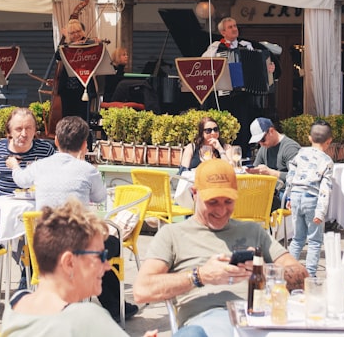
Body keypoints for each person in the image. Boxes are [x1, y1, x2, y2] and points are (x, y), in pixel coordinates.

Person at [134, 158, 308, 336]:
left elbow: (303, 278)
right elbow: (141, 290)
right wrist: (200, 276)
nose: (221, 210)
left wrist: (262, 272)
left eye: (228, 201)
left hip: (261, 317)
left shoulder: (253, 231)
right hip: (210, 320)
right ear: (194, 193)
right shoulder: (172, 234)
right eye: (213, 202)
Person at [7, 116, 134, 321]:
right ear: (84, 144)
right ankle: (115, 306)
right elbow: (100, 198)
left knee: (102, 248)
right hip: (79, 250)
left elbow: (21, 180)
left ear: (56, 141)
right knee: (111, 246)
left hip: (43, 248)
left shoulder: (41, 166)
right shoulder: (87, 170)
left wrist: (14, 165)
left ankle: (114, 306)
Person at [0, 199, 160, 337]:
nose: (107, 265)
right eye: (100, 256)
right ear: (69, 262)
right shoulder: (87, 317)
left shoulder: (16, 303)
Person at [0, 108, 55, 298]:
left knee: (28, 229)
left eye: (29, 128)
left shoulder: (46, 150)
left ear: (35, 130)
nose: (23, 134)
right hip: (1, 213)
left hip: (33, 214)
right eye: (18, 129)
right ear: (9, 131)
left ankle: (27, 274)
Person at [280, 120, 333, 276]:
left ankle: (289, 271)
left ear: (309, 138)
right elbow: (325, 188)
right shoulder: (327, 161)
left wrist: (288, 198)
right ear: (329, 141)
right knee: (315, 241)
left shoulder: (300, 153)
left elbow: (290, 176)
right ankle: (310, 275)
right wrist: (321, 212)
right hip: (312, 199)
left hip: (296, 196)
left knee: (297, 238)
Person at [202, 17, 257, 153]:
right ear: (223, 32)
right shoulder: (215, 47)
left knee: (243, 125)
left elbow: (257, 65)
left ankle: (242, 154)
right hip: (224, 94)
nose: (234, 29)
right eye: (230, 27)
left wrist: (269, 67)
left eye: (235, 26)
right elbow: (203, 64)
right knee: (223, 125)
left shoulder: (246, 46)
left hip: (243, 94)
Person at [246, 116, 300, 208]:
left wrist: (271, 173)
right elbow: (255, 168)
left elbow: (299, 177)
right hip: (268, 192)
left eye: (262, 139)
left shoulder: (289, 148)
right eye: (258, 142)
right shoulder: (264, 148)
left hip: (286, 193)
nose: (261, 144)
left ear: (271, 131)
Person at [54, 19, 99, 121]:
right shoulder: (66, 47)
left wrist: (97, 43)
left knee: (83, 117)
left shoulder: (88, 43)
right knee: (67, 117)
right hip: (67, 88)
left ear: (82, 31)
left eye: (78, 31)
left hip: (83, 88)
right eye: (72, 33)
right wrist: (68, 42)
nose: (76, 35)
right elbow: (57, 56)